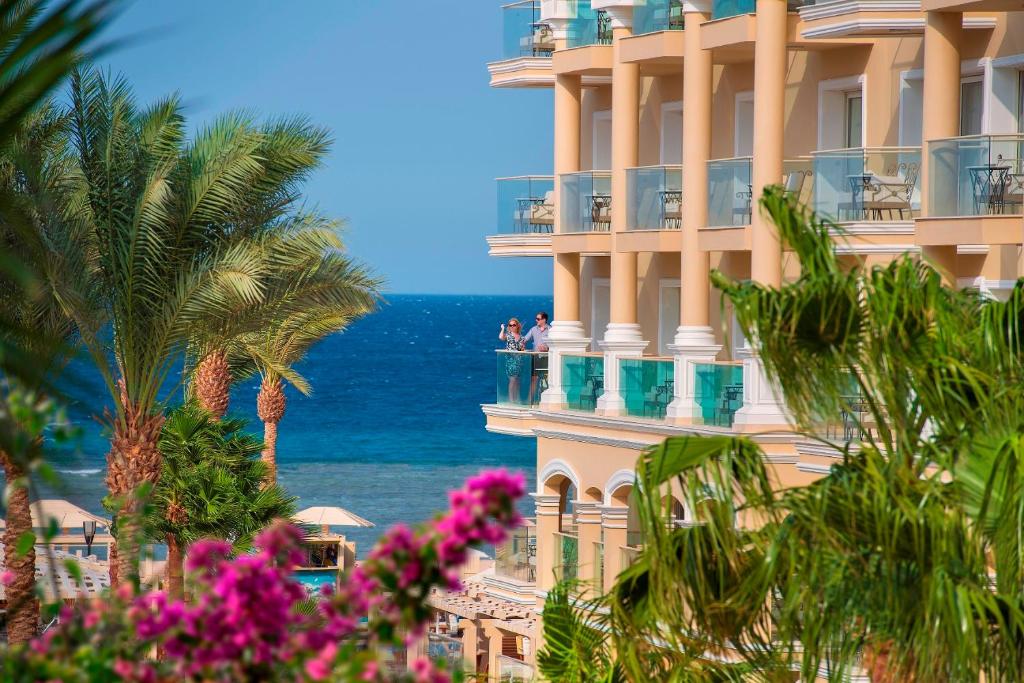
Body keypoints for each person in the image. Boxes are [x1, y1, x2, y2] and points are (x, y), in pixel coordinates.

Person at [522, 312, 550, 404]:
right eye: (536, 319)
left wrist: (547, 349)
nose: (536, 320)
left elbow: (555, 345)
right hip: (536, 357)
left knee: (546, 379)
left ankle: (545, 401)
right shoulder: (533, 329)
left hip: (546, 358)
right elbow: (524, 340)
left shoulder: (551, 330)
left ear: (544, 320)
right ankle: (530, 400)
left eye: (538, 319)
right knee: (534, 379)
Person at [499, 317, 527, 403]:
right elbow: (501, 337)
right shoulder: (508, 336)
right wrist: (503, 329)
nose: (512, 327)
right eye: (510, 325)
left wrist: (522, 349)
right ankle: (511, 400)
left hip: (519, 361)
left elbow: (522, 349)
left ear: (517, 326)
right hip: (510, 361)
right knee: (512, 379)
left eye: (514, 325)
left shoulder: (522, 337)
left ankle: (516, 398)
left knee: (517, 381)